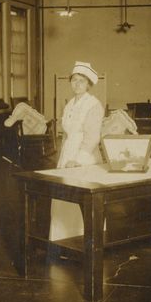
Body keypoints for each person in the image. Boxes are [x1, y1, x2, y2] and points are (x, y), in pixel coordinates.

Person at [49, 61, 105, 241]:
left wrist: (78, 160)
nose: (77, 84)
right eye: (74, 80)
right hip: (68, 154)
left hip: (85, 157)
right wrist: (63, 156)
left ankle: (88, 240)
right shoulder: (70, 104)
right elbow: (67, 134)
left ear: (88, 84)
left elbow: (92, 137)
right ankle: (65, 239)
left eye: (81, 81)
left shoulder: (93, 105)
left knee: (84, 199)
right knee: (64, 198)